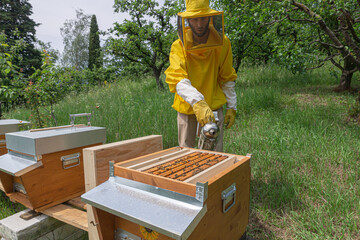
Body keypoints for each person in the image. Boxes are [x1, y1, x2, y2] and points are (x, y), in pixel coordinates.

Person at [165, 0, 237, 152]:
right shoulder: (178, 46)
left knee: (215, 154)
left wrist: (232, 106)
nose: (199, 24)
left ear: (210, 18)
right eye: (194, 19)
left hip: (214, 104)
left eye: (203, 18)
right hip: (187, 106)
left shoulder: (223, 42)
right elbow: (178, 78)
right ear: (187, 20)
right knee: (186, 153)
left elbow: (226, 76)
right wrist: (198, 102)